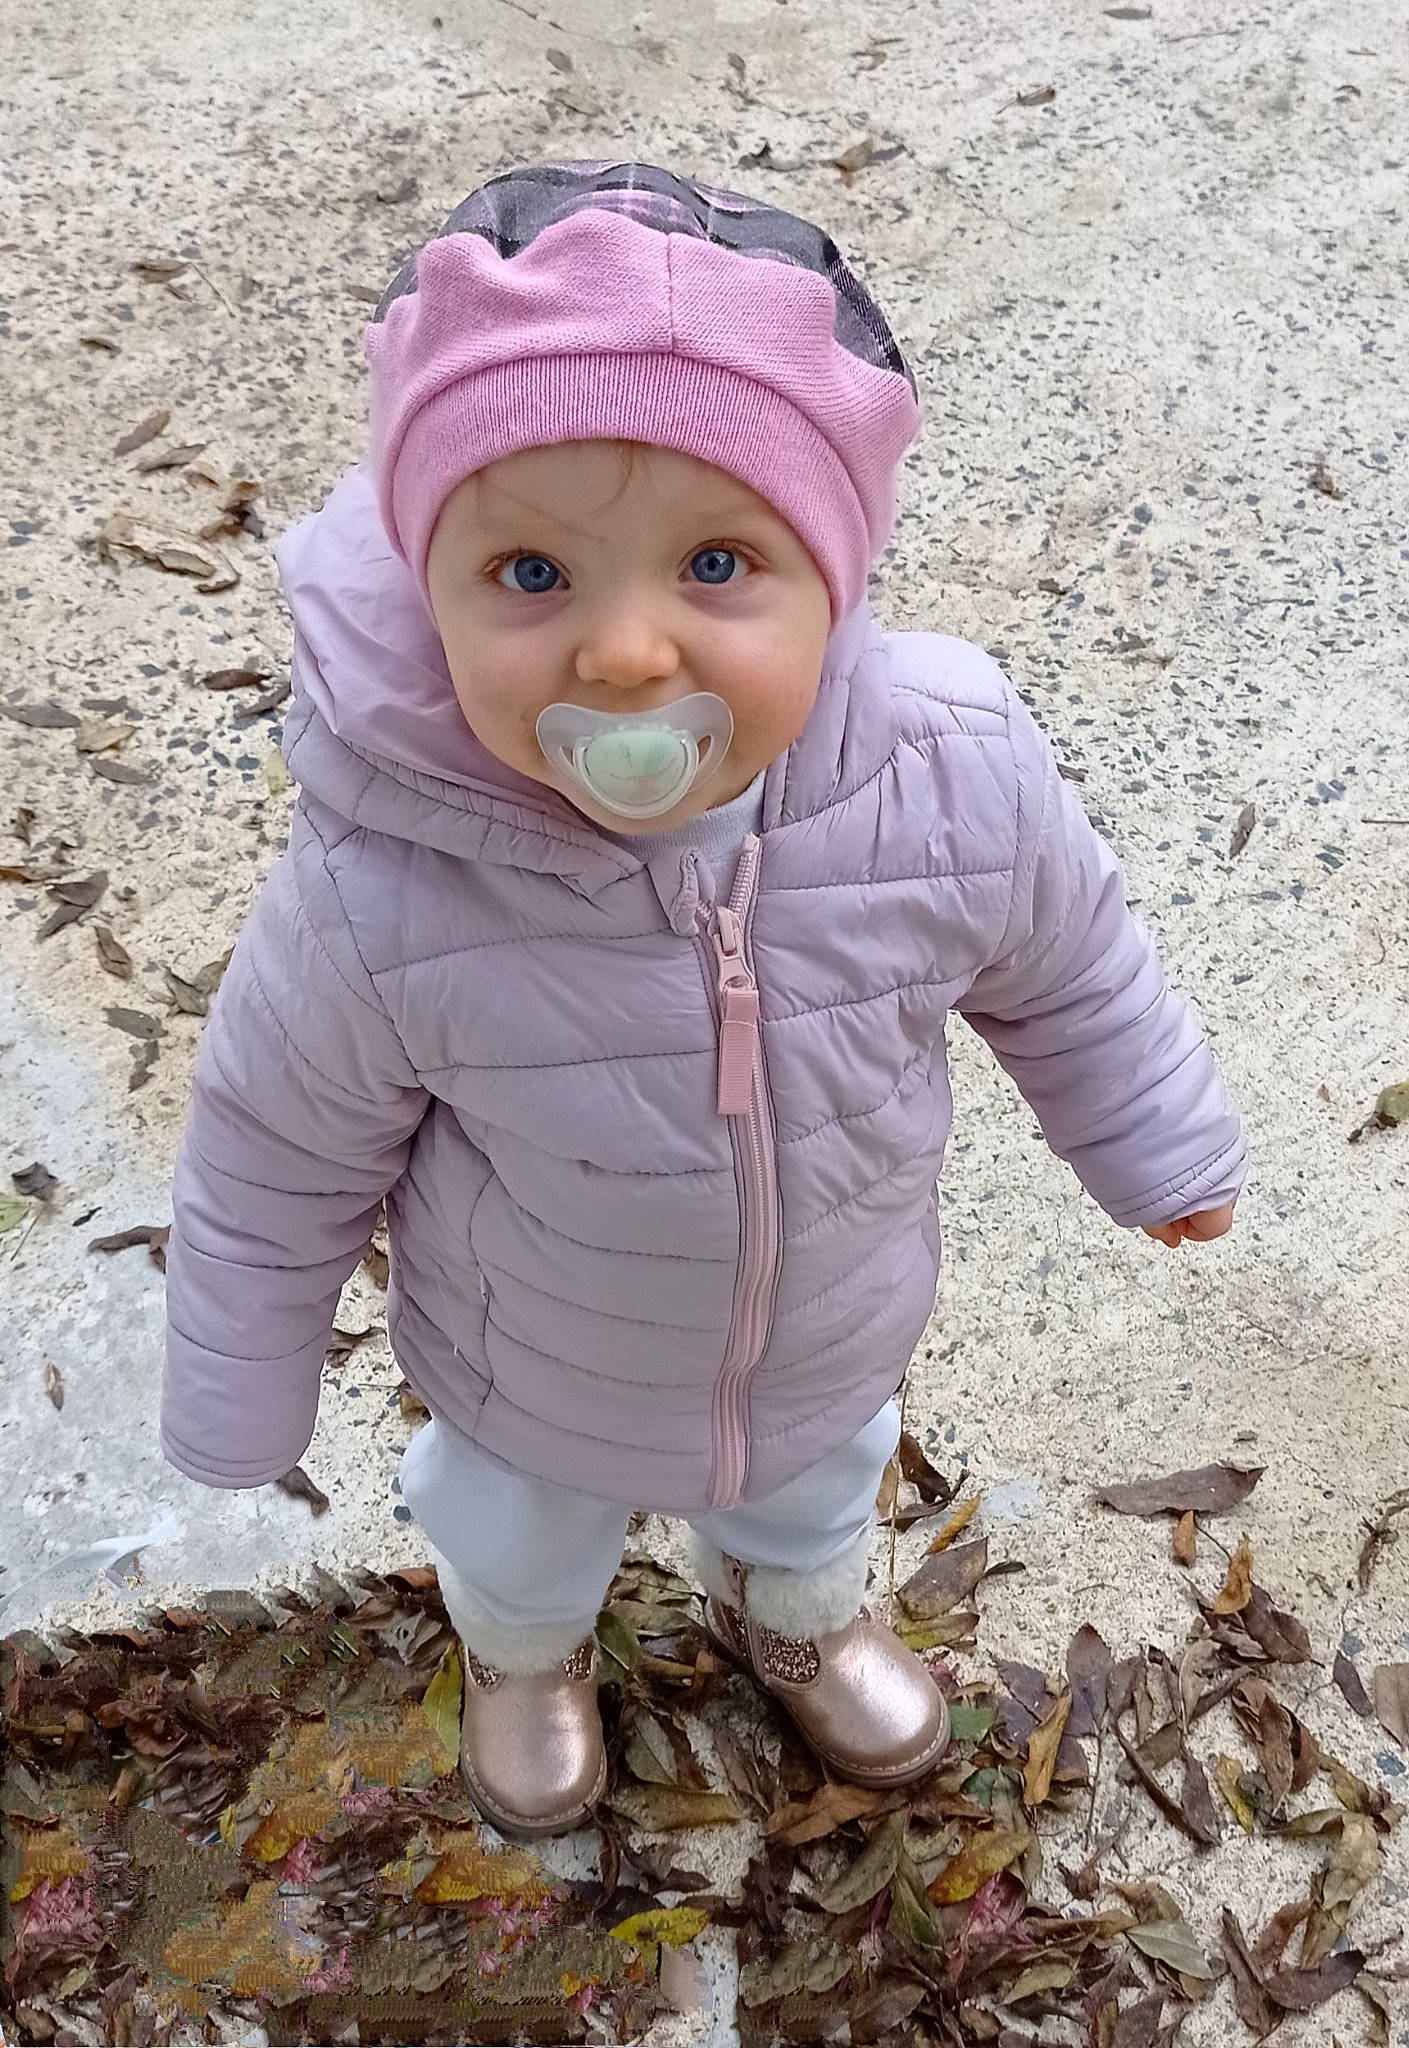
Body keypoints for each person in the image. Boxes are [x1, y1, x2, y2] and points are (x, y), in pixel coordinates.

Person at [160, 161, 1247, 1839]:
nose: (624, 655)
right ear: (426, 588)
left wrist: (1154, 1141)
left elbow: (1068, 963)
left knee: (812, 1494)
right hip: (532, 1361)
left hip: (825, 1326)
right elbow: (272, 1151)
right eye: (531, 575)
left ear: (836, 574)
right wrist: (239, 1381)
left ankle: (792, 1621)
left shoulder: (949, 770)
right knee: (518, 1534)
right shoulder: (384, 882)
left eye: (717, 562)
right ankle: (527, 1655)